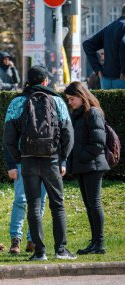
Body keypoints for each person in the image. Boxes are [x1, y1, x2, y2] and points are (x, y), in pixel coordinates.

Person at [3, 65, 75, 261]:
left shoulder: (17, 102)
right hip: (51, 159)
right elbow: (68, 133)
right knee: (57, 205)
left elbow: (8, 137)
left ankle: (39, 252)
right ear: (45, 82)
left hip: (28, 161)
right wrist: (63, 158)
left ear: (28, 81)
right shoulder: (57, 101)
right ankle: (61, 250)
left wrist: (18, 158)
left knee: (33, 205)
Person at [64, 81, 109, 255]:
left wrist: (81, 156)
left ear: (81, 95)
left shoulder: (93, 113)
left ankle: (100, 243)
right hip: (83, 165)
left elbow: (98, 143)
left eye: (72, 98)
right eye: (68, 99)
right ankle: (95, 242)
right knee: (89, 205)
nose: (70, 102)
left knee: (94, 204)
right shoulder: (79, 114)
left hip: (93, 165)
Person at [4, 145, 47, 254]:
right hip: (21, 162)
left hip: (46, 161)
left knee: (40, 202)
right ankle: (16, 240)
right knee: (20, 201)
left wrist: (63, 161)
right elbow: (8, 139)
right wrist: (11, 165)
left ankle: (33, 239)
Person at [82, 4, 125, 89]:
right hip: (122, 78)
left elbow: (87, 44)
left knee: (106, 102)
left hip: (105, 79)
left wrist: (97, 69)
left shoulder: (110, 27)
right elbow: (124, 44)